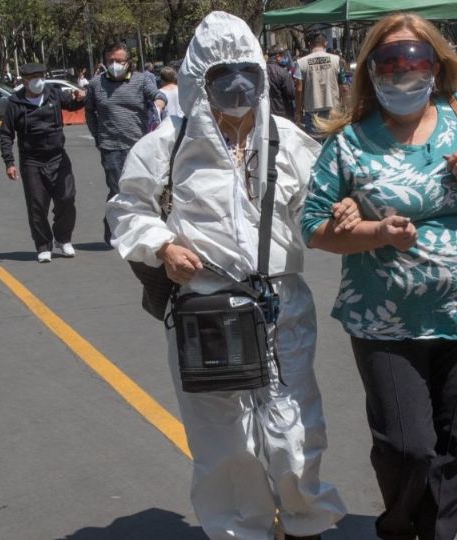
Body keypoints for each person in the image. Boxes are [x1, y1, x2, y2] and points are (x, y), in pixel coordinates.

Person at [106, 11, 348, 540]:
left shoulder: (286, 141)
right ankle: (243, 529)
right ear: (199, 80)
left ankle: (305, 521)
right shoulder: (165, 147)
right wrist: (163, 244)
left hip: (282, 306)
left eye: (248, 72)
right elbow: (127, 210)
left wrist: (344, 217)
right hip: (206, 310)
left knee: (295, 428)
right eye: (223, 75)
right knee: (224, 439)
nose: (238, 86)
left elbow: (318, 211)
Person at [301, 12, 457, 540]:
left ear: (435, 64)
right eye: (390, 61)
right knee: (408, 447)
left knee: (455, 445)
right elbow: (314, 227)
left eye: (415, 59)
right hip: (383, 320)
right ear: (371, 70)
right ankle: (398, 524)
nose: (403, 71)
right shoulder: (350, 142)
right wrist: (376, 232)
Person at [0, 63, 85, 263]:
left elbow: (73, 103)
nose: (38, 80)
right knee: (37, 205)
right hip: (32, 161)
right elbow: (6, 134)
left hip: (58, 156)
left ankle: (63, 239)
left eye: (40, 75)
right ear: (24, 80)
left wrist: (80, 97)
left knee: (67, 198)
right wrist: (9, 162)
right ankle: (43, 245)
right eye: (33, 77)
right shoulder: (16, 103)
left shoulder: (53, 93)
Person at [85, 42, 167, 245]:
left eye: (119, 61)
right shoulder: (96, 84)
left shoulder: (141, 81)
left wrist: (158, 103)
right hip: (110, 147)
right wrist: (97, 135)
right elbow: (89, 111)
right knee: (117, 190)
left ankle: (137, 230)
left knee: (141, 191)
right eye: (110, 61)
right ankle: (113, 231)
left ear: (128, 63)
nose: (114, 65)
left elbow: (159, 94)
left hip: (139, 147)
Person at [295, 33, 348, 138]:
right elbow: (343, 87)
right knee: (333, 143)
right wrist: (345, 107)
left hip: (312, 110)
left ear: (310, 45)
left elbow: (299, 89)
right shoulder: (336, 60)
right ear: (326, 44)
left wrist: (298, 111)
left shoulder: (300, 62)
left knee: (315, 147)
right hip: (333, 108)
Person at [267, 47, 297, 120]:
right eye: (282, 56)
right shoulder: (283, 72)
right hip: (282, 112)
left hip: (266, 112)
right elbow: (291, 93)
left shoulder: (261, 71)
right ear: (278, 56)